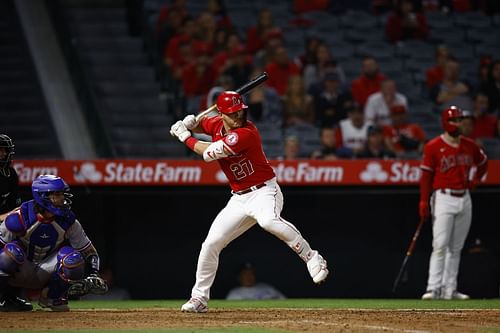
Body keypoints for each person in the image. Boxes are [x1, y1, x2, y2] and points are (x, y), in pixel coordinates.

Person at [169, 91, 329, 313]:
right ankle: (199, 299)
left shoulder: (246, 133)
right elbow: (203, 124)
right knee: (211, 244)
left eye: (241, 112)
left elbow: (207, 154)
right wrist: (192, 123)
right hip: (239, 198)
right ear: (222, 114)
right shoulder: (215, 123)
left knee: (268, 221)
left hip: (264, 191)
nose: (238, 117)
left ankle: (312, 257)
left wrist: (184, 136)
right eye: (233, 114)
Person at [0, 175, 108, 311]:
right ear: (42, 197)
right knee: (9, 254)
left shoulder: (68, 220)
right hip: (21, 269)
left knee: (73, 259)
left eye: (62, 194)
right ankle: (5, 298)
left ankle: (52, 297)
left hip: (46, 272)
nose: (62, 199)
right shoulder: (20, 216)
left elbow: (89, 251)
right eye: (57, 194)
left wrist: (94, 273)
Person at [419, 106, 488, 300]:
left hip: (464, 197)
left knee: (456, 248)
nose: (458, 124)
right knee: (440, 244)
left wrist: (475, 181)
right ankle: (433, 288)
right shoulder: (433, 146)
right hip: (443, 197)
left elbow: (483, 163)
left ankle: (450, 289)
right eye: (454, 121)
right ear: (445, 123)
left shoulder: (469, 145)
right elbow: (426, 176)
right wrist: (424, 200)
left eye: (459, 120)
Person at [0, 134, 21, 222]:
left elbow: (14, 205)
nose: (4, 153)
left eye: (6, 150)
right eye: (0, 150)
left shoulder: (11, 173)